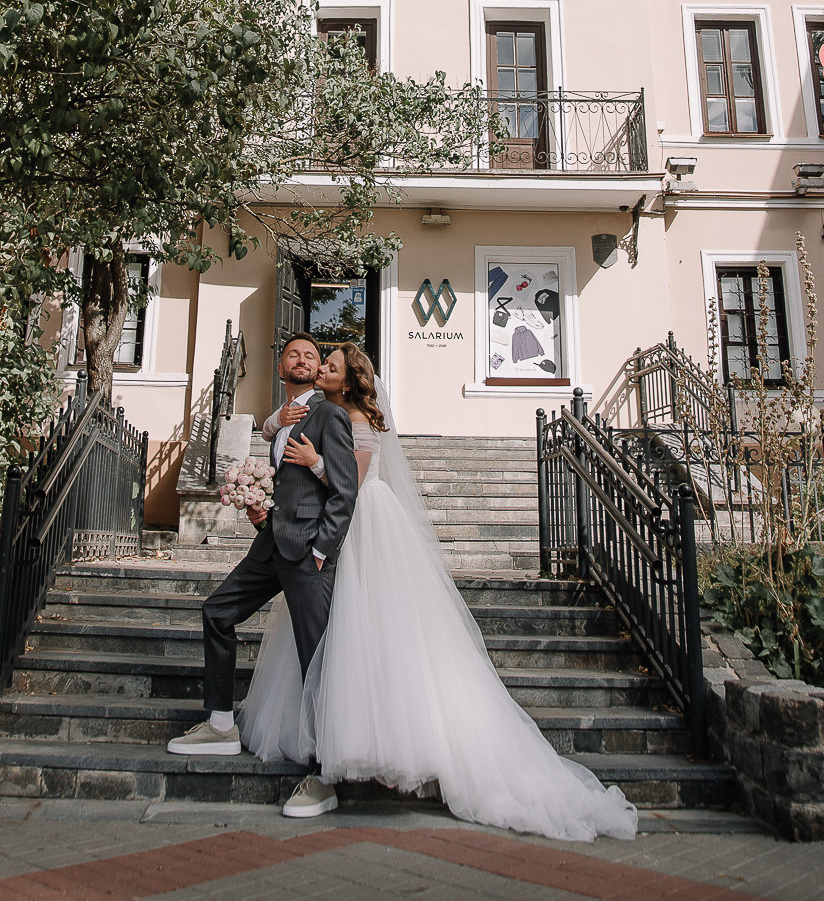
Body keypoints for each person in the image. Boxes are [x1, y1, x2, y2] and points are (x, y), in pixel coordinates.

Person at [238, 343, 638, 843]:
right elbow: (273, 427)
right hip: (328, 527)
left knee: (365, 629)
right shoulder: (323, 410)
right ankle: (338, 740)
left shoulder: (358, 420)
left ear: (350, 380)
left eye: (331, 366)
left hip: (363, 526)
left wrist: (317, 462)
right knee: (331, 632)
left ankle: (373, 742)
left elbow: (350, 485)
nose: (319, 369)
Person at [166, 331, 358, 819]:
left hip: (307, 553)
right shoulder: (281, 420)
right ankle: (220, 723)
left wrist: (321, 550)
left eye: (311, 355)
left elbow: (345, 491)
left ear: (318, 370)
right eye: (293, 354)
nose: (302, 360)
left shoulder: (330, 416)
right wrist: (262, 510)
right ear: (281, 367)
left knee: (315, 656)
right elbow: (288, 484)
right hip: (271, 543)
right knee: (217, 612)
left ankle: (324, 775)